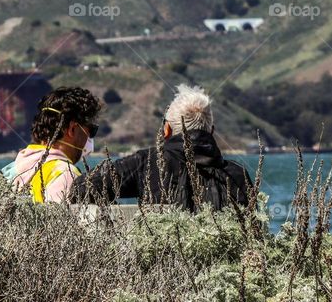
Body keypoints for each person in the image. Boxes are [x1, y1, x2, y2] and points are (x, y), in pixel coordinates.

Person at [69, 84, 251, 210]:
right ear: (211, 131)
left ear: (167, 129)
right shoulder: (238, 175)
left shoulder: (146, 163)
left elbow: (82, 188)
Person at [3, 86, 102, 203]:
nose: (90, 138)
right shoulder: (66, 175)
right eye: (91, 130)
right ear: (72, 129)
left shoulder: (12, 169)